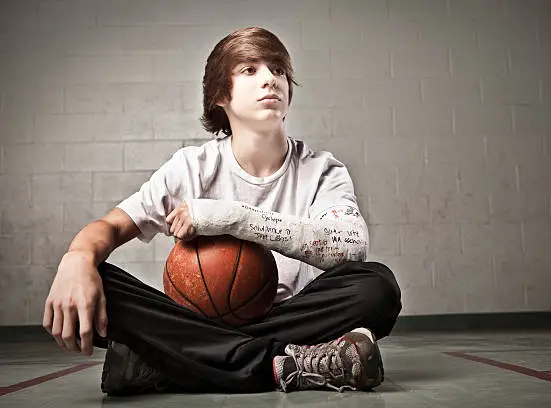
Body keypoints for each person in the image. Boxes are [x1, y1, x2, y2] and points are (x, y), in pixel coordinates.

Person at [42, 27, 402, 395]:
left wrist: (233, 218)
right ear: (219, 95)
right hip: (201, 319)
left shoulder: (322, 170)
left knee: (377, 287)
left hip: (290, 316)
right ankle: (293, 365)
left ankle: (174, 362)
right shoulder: (191, 167)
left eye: (278, 70)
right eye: (250, 70)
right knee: (97, 278)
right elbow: (111, 227)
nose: (270, 80)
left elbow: (350, 247)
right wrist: (76, 259)